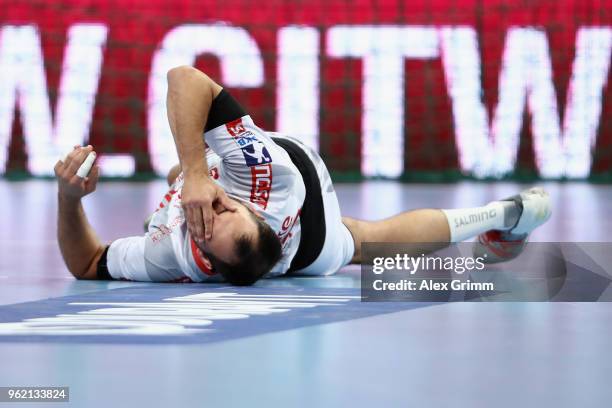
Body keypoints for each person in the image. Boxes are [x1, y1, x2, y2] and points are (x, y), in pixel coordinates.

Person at [54, 66, 552, 286]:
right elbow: (186, 79)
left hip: (278, 221)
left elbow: (88, 262)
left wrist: (69, 200)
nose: (209, 212)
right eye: (222, 212)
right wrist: (195, 174)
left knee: (187, 171)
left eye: (213, 215)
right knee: (363, 242)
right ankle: (503, 214)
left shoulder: (175, 248)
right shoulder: (263, 182)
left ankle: (503, 217)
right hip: (308, 226)